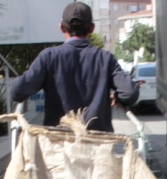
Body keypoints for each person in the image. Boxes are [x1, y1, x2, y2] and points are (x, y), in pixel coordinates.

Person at [9, 2, 139, 132]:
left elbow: (17, 91)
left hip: (59, 143)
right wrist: (118, 97)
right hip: (99, 145)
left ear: (62, 27)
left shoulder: (49, 57)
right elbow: (130, 93)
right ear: (92, 28)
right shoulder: (105, 58)